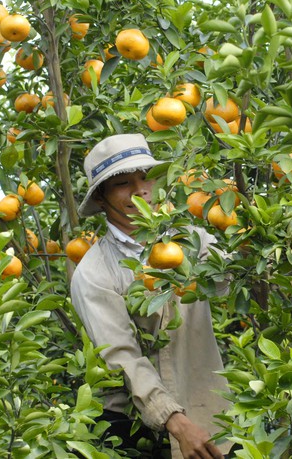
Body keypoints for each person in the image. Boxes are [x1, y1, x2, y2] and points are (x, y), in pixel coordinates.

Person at [70, 134, 232, 458]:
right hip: (135, 429)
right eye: (123, 183)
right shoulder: (94, 273)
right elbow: (123, 358)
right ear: (101, 198)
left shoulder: (192, 240)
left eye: (146, 176)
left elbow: (230, 283)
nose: (140, 189)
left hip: (206, 406)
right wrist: (174, 420)